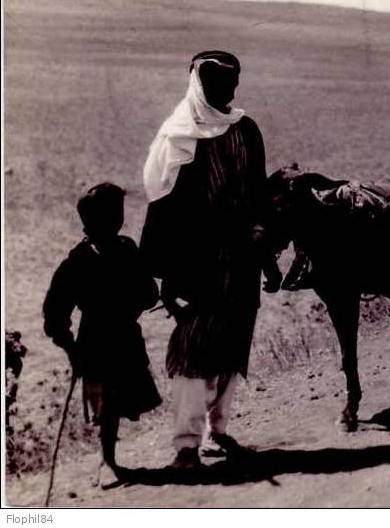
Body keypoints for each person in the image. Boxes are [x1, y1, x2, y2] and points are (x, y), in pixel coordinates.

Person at [140, 50, 278, 470]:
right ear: (200, 84)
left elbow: (258, 195)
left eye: (234, 82)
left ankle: (218, 431)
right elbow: (162, 207)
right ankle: (186, 445)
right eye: (220, 83)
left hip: (242, 260)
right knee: (194, 349)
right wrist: (166, 276)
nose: (229, 90)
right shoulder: (179, 136)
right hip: (197, 263)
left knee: (234, 345)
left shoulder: (246, 129)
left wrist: (266, 255)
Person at [43, 183, 162, 484]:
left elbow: (149, 293)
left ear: (118, 221)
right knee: (106, 400)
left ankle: (108, 459)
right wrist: (72, 350)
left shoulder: (127, 251)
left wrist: (131, 306)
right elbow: (56, 314)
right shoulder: (76, 263)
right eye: (99, 221)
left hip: (124, 335)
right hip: (94, 340)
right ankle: (106, 462)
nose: (107, 227)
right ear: (86, 224)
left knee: (119, 397)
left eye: (113, 219)